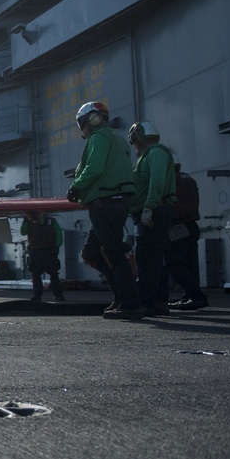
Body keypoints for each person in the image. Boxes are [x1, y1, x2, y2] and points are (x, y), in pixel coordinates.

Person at [67, 101, 142, 320]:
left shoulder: (98, 137)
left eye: (83, 123)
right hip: (115, 200)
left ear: (89, 121)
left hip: (106, 201)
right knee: (92, 251)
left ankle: (131, 304)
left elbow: (95, 168)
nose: (83, 128)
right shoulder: (117, 138)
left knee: (114, 252)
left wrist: (76, 186)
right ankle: (121, 296)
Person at [127, 122, 177, 316]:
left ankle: (146, 302)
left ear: (137, 137)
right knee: (154, 259)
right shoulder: (146, 157)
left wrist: (149, 207)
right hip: (148, 211)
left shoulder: (155, 153)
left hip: (152, 212)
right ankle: (158, 301)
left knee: (146, 259)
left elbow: (157, 182)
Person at [166, 160, 208, 310]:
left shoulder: (170, 179)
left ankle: (196, 296)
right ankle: (190, 296)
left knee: (173, 262)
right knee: (190, 265)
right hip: (191, 225)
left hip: (178, 225)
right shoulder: (186, 177)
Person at [19, 212, 65, 302]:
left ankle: (57, 294)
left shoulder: (51, 222)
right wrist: (25, 221)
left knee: (53, 274)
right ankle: (37, 295)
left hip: (48, 250)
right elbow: (23, 232)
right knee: (37, 275)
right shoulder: (30, 222)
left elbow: (59, 234)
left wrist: (56, 247)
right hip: (37, 251)